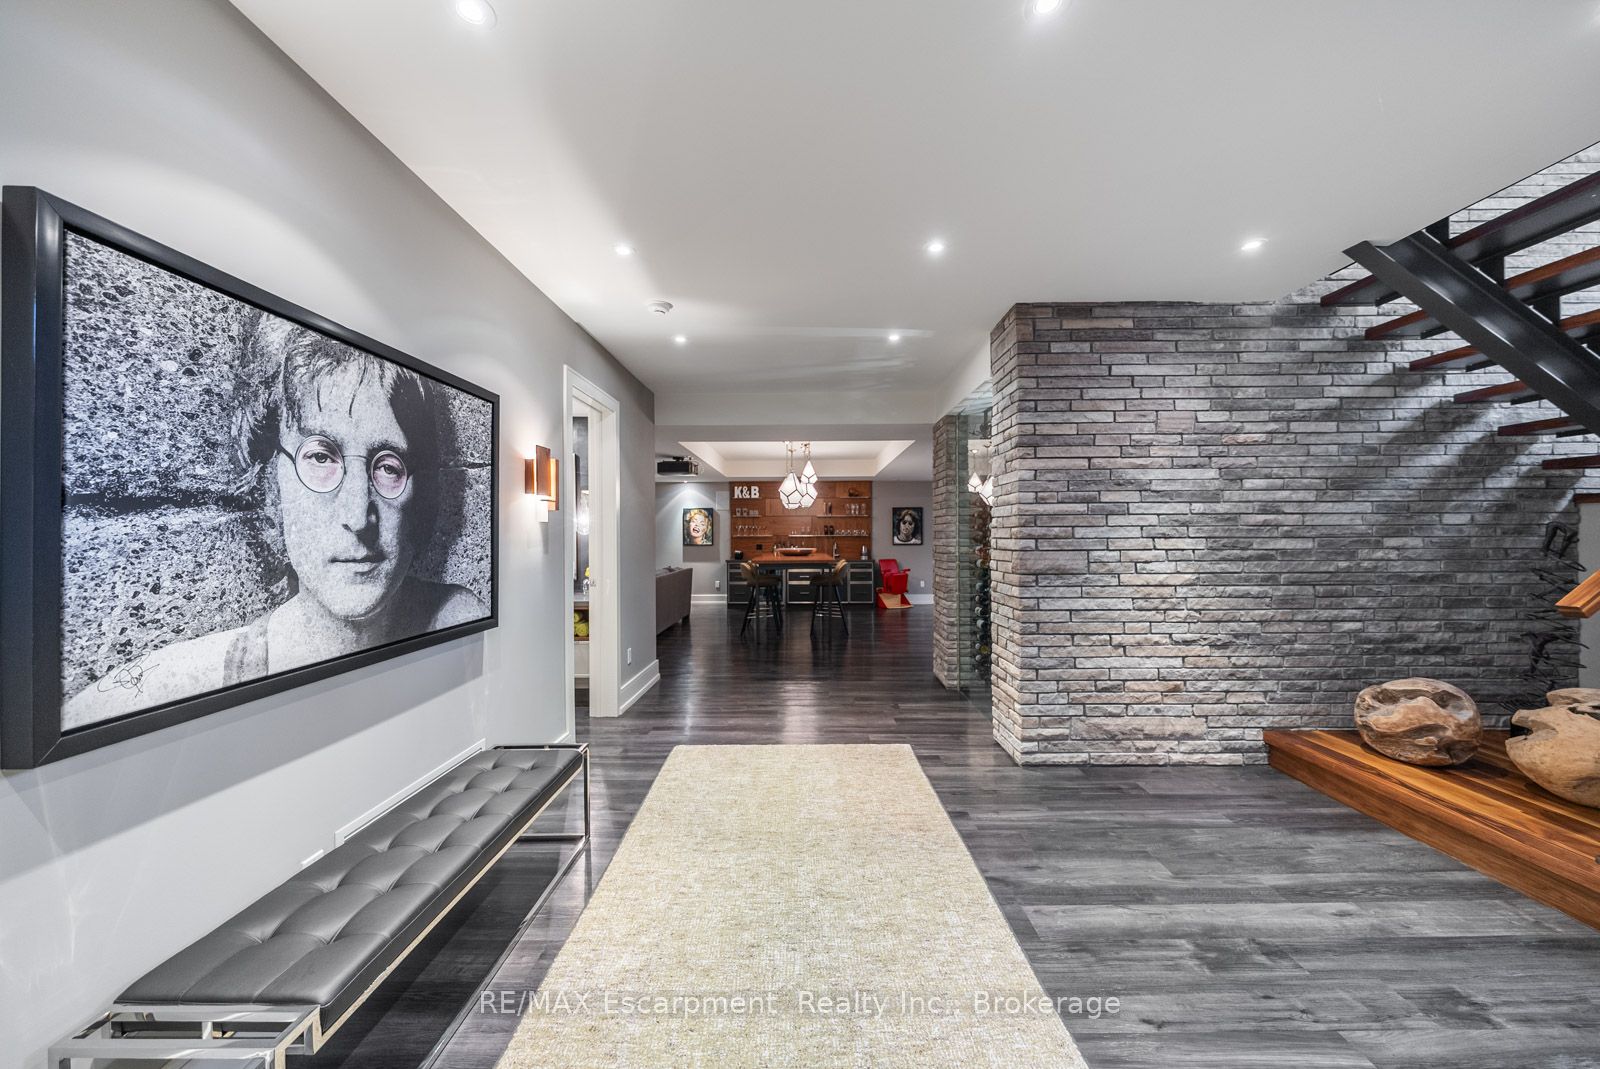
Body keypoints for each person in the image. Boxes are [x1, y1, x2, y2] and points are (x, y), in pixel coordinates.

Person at [64, 314, 485, 726]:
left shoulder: (457, 616)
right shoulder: (186, 683)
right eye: (320, 457)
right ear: (270, 481)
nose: (359, 516)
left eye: (388, 466)